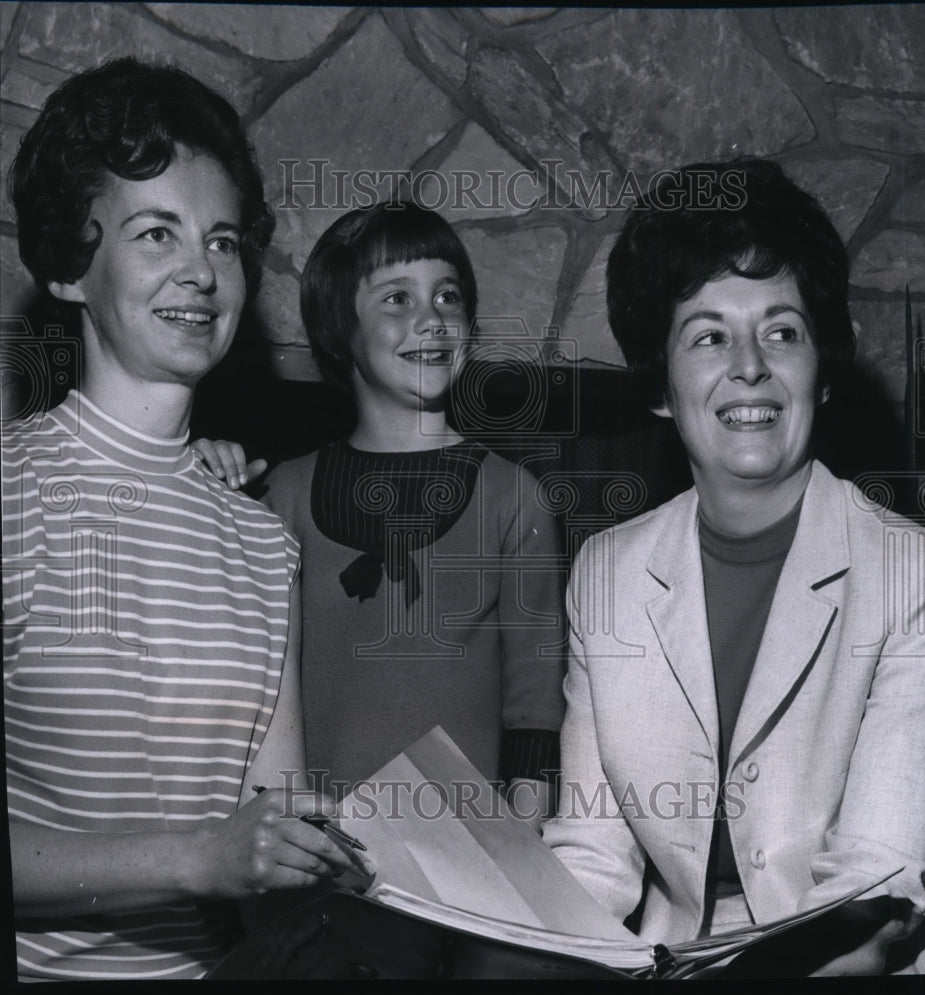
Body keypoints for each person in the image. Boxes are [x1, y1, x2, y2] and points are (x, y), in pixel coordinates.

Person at [541, 158, 925, 975]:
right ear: (659, 383)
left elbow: (877, 880)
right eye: (708, 334)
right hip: (679, 956)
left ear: (820, 374)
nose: (749, 365)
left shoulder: (922, 575)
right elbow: (594, 857)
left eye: (782, 330)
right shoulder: (605, 573)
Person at [2, 57, 372, 982]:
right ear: (69, 268)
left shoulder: (259, 538)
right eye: (156, 233)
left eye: (222, 241)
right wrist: (195, 857)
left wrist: (349, 855)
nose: (201, 273)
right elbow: (213, 851)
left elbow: (271, 818)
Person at [200, 202, 566, 824]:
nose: (432, 319)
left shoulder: (515, 497)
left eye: (448, 297)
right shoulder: (279, 495)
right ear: (342, 329)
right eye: (397, 299)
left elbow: (534, 712)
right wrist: (199, 479)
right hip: (317, 862)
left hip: (463, 872)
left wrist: (514, 860)